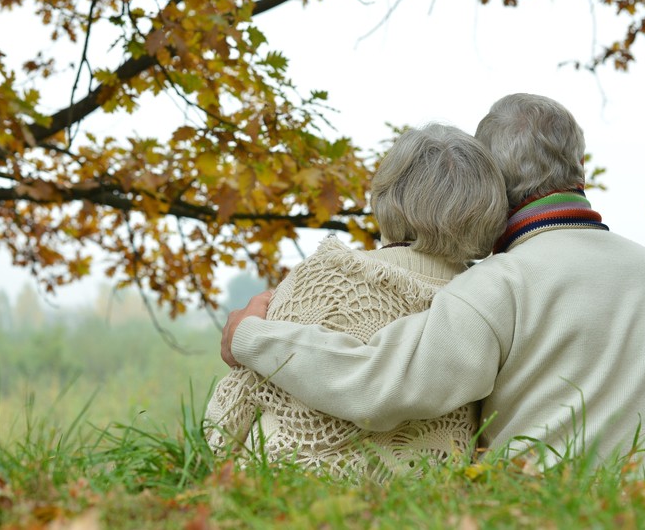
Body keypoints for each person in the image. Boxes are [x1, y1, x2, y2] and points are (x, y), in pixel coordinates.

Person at [221, 94, 645, 477]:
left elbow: (381, 385)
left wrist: (251, 336)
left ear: (493, 181)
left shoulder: (504, 282)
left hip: (552, 507)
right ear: (576, 161)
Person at [204, 123, 508, 478]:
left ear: (387, 195)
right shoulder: (486, 301)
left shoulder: (327, 276)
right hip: (419, 503)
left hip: (283, 489)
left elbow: (231, 415)